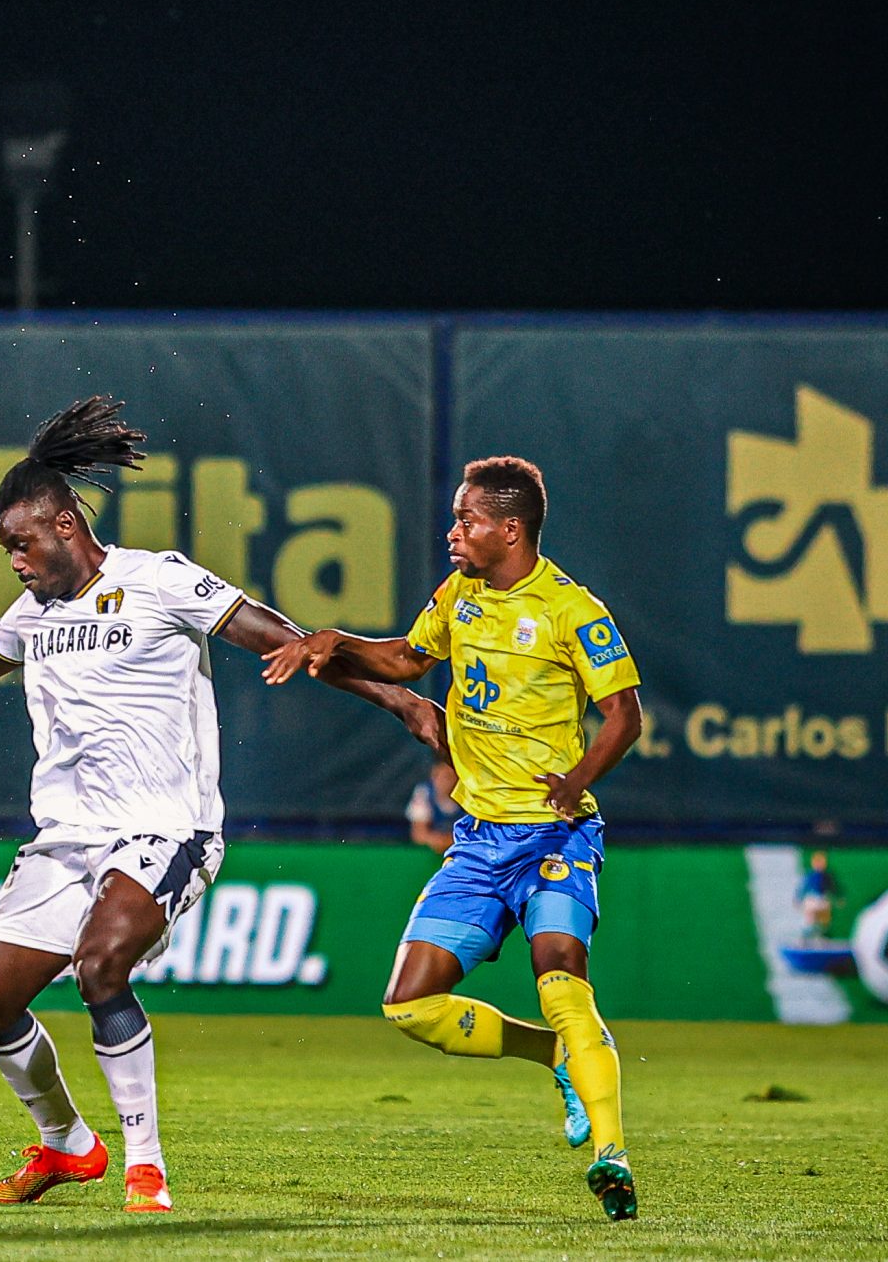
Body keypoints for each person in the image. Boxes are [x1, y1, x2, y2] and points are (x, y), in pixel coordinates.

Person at [0, 396, 441, 1214]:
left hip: (166, 827)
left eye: (23, 542)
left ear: (68, 525)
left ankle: (145, 1167)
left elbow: (285, 638)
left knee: (101, 962)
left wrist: (399, 703)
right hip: (66, 838)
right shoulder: (32, 615)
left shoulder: (158, 580)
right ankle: (67, 1146)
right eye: (5, 546)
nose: (13, 559)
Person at [261, 454, 644, 1221]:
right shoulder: (461, 593)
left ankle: (612, 1154)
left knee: (562, 976)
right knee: (408, 1004)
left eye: (467, 520)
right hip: (479, 842)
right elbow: (406, 657)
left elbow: (625, 715)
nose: (453, 531)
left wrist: (574, 782)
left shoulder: (575, 610)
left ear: (510, 528)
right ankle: (553, 1056)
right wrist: (331, 642)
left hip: (556, 836)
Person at [407, 760, 461, 855]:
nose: (444, 782)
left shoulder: (470, 795)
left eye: (449, 777)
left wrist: (450, 841)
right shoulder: (423, 792)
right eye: (438, 776)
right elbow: (418, 835)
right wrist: (437, 841)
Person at [796, 850, 841, 941]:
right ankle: (805, 939)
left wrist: (838, 898)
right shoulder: (810, 875)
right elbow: (803, 887)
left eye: (822, 862)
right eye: (818, 862)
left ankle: (823, 939)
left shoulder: (828, 876)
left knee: (823, 923)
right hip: (812, 900)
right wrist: (798, 899)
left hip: (823, 900)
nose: (820, 864)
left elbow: (833, 888)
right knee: (810, 922)